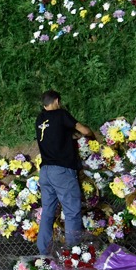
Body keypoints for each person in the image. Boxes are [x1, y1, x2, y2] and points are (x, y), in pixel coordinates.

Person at [35, 89, 94, 255]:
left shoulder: (39, 119)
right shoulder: (61, 114)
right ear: (57, 101)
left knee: (48, 212)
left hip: (45, 172)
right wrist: (91, 135)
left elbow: (56, 135)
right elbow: (83, 130)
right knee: (71, 211)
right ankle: (73, 254)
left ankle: (44, 253)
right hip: (61, 171)